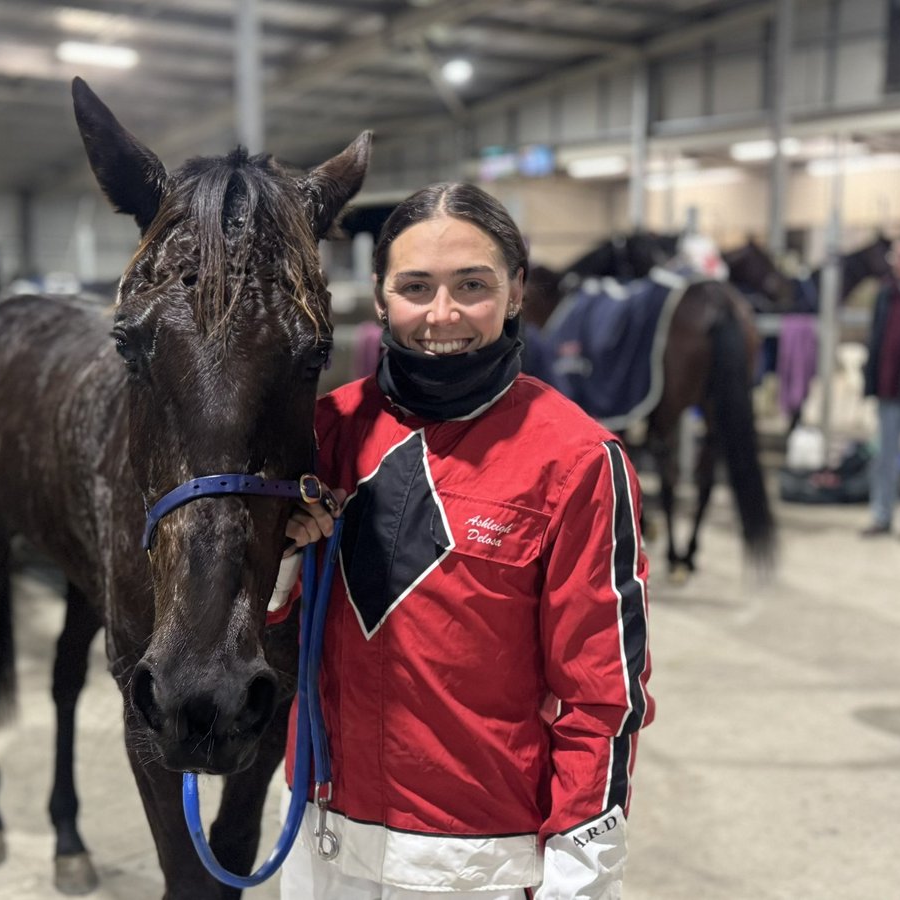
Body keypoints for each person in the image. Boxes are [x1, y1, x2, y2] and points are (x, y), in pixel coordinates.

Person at [273, 183, 654, 899]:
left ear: (515, 292)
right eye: (415, 287)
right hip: (319, 828)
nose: (442, 315)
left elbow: (602, 698)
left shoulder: (576, 461)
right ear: (381, 299)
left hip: (475, 859)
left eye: (470, 286)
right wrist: (283, 558)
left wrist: (583, 874)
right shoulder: (320, 435)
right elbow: (258, 632)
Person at [862, 232, 900, 541]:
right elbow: (876, 340)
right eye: (899, 257)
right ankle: (881, 516)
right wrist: (870, 379)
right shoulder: (886, 295)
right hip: (888, 390)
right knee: (884, 459)